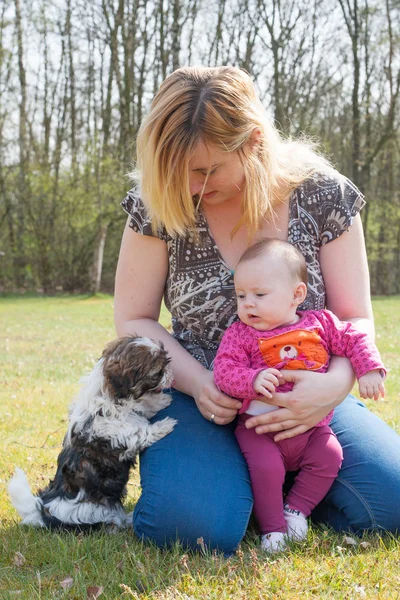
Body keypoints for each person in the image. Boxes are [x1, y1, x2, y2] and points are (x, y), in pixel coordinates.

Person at [114, 65, 400, 554]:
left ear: (252, 141)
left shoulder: (323, 194)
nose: (191, 188)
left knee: (392, 503)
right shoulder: (158, 203)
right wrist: (202, 384)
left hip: (308, 392)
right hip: (198, 390)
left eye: (206, 170)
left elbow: (354, 315)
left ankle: (279, 493)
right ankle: (234, 489)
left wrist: (332, 387)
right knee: (191, 528)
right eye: (178, 170)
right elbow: (134, 320)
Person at [213, 238, 386, 552]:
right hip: (260, 429)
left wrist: (369, 369)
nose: (247, 303)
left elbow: (354, 339)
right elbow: (224, 370)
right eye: (241, 295)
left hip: (312, 428)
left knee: (330, 455)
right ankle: (273, 530)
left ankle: (296, 510)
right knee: (267, 469)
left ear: (297, 295)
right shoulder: (241, 333)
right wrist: (252, 379)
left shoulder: (320, 324)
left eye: (259, 294)